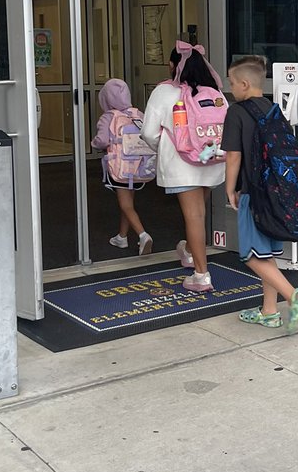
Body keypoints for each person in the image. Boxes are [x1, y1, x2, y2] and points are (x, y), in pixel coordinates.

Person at [221, 54, 298, 331]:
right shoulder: (273, 110)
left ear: (245, 84)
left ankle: (294, 296)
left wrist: (230, 189)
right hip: (275, 193)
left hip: (253, 194)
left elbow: (233, 156)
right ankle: (269, 312)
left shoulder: (237, 112)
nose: (231, 88)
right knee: (265, 256)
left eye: (232, 83)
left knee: (250, 256)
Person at [141, 42, 226, 292]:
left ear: (172, 65)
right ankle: (189, 251)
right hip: (211, 160)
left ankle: (201, 275)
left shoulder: (164, 92)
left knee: (194, 216)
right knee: (199, 213)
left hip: (182, 164)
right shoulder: (215, 92)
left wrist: (164, 148)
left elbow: (148, 132)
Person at [91, 78, 153, 256]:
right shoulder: (137, 114)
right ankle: (122, 236)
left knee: (125, 204)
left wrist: (94, 143)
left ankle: (143, 235)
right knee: (128, 203)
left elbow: (102, 140)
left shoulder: (108, 117)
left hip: (119, 167)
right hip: (139, 167)